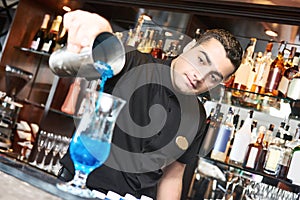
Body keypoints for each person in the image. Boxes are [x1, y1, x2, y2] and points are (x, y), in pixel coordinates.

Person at [58, 10, 243, 200]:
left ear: (222, 82)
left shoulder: (198, 116)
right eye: (201, 60)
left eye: (213, 76)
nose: (200, 76)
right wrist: (98, 31)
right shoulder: (133, 63)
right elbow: (101, 51)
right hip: (82, 188)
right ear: (189, 47)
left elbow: (173, 175)